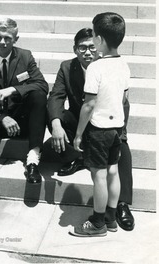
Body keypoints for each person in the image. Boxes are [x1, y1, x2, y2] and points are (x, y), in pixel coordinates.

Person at [47, 27, 134, 232]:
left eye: (92, 47)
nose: (87, 52)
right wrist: (56, 124)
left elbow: (124, 103)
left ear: (99, 47)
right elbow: (56, 96)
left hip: (106, 124)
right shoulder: (67, 67)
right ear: (75, 49)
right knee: (53, 115)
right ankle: (78, 158)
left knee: (121, 152)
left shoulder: (108, 66)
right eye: (82, 48)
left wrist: (120, 132)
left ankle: (121, 204)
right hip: (82, 121)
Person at [69, 12, 130, 237]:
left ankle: (97, 223)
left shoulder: (96, 68)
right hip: (117, 129)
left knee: (100, 176)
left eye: (94, 36)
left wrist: (78, 134)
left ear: (101, 40)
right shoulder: (123, 64)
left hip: (99, 130)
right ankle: (111, 219)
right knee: (113, 172)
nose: (93, 40)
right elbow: (123, 98)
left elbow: (88, 105)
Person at [0, 18, 48, 184]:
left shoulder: (25, 57)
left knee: (38, 96)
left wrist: (13, 89)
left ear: (16, 39)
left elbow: (42, 85)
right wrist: (2, 118)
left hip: (20, 121)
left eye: (8, 38)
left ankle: (33, 161)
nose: (3, 42)